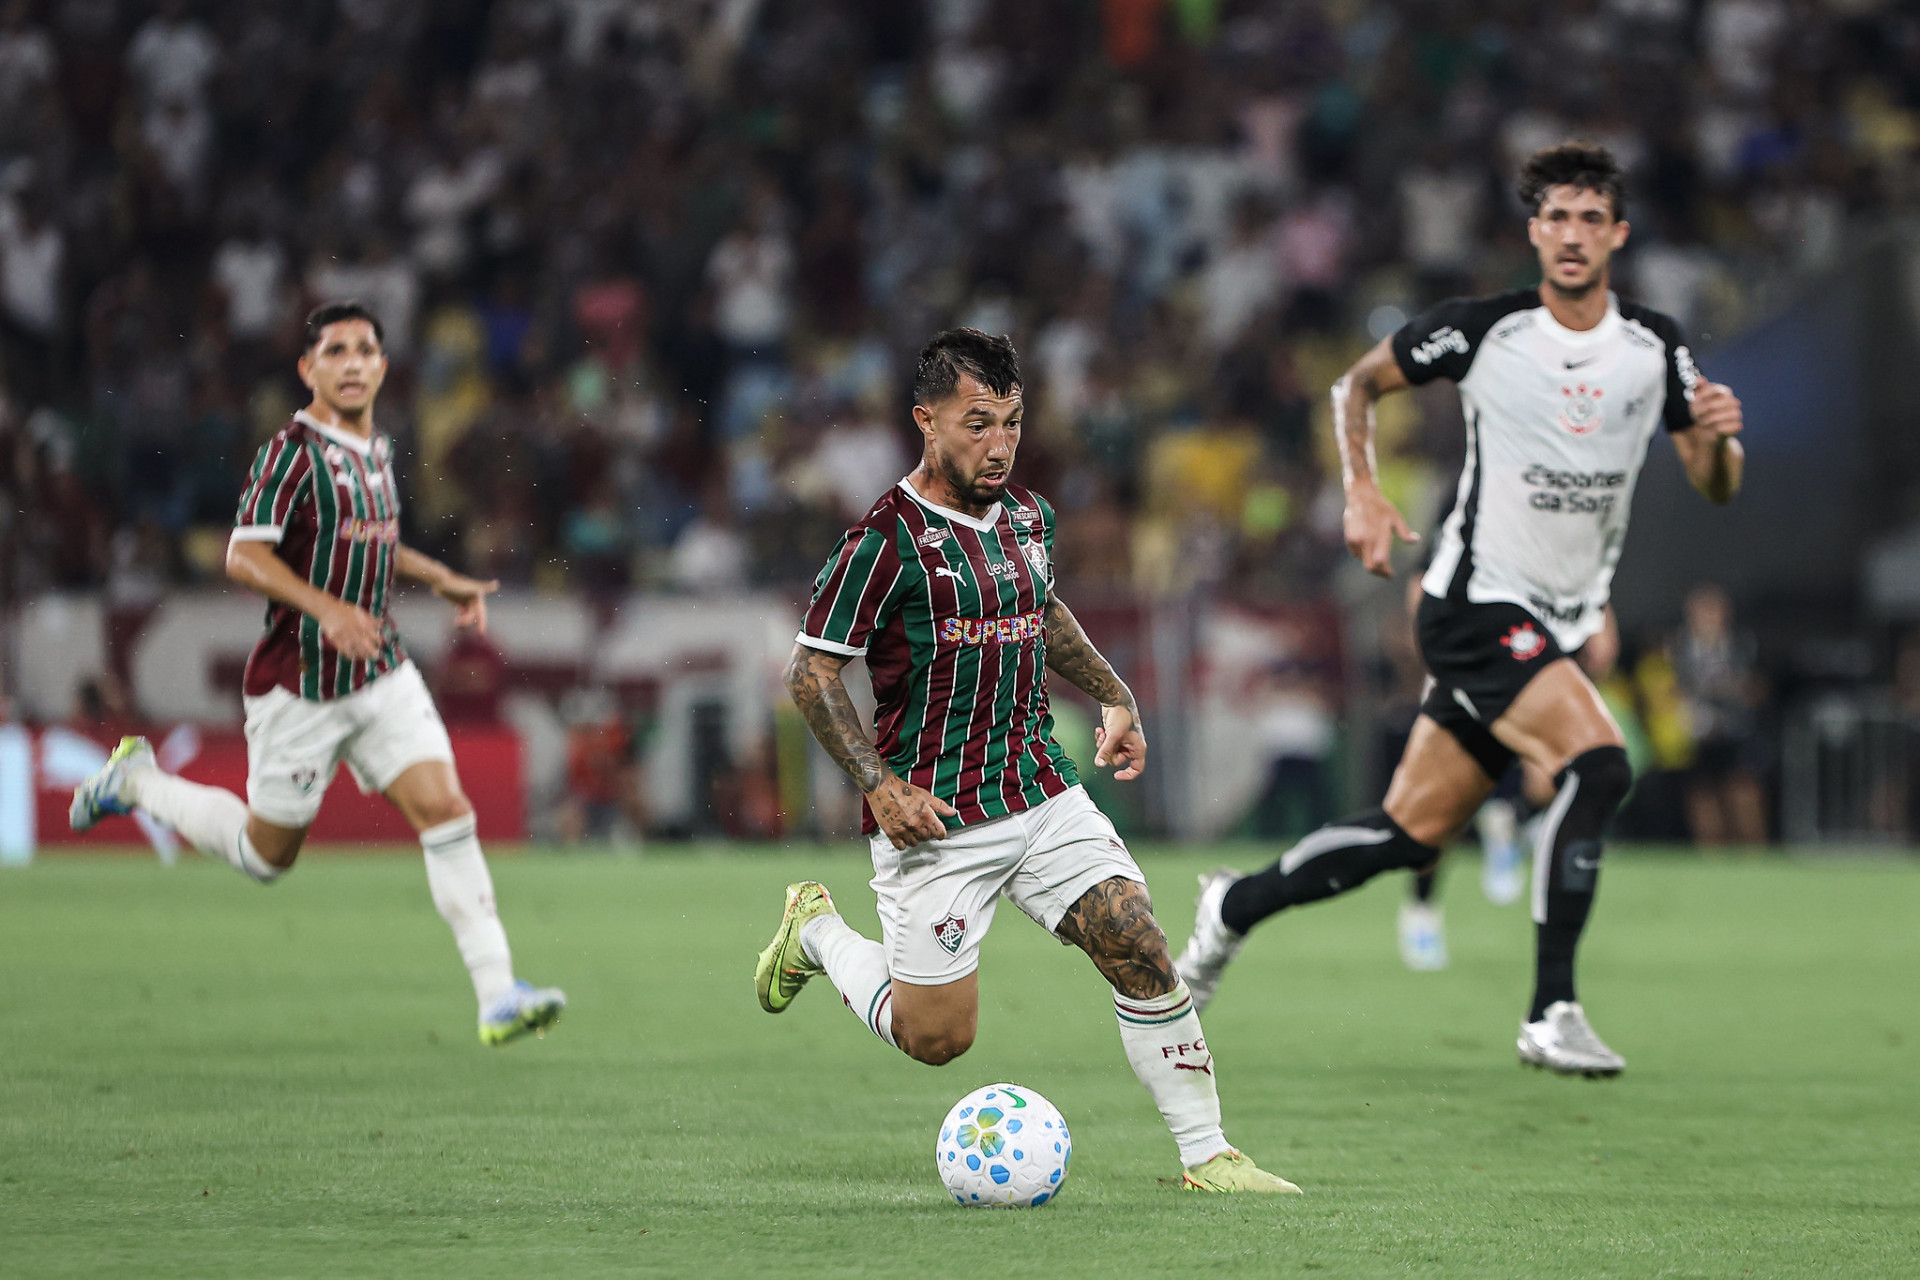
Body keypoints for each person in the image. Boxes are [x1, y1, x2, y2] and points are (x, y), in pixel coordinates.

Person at [1177, 142, 1746, 1077]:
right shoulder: (1486, 331)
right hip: (1473, 606)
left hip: (1554, 624)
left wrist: (1723, 444)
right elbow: (1354, 384)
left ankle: (1231, 910)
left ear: (1618, 234)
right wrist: (1360, 490)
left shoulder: (1654, 348)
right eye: (1555, 216)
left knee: (1406, 834)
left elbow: (1712, 481)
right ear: (1534, 232)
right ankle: (1550, 1010)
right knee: (1599, 765)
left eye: (1589, 217)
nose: (1571, 234)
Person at [755, 329, 1298, 1193]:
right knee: (939, 1041)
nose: (1000, 443)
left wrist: (1115, 692)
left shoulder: (1028, 516)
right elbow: (811, 673)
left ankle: (1209, 1155)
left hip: (1040, 789)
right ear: (925, 421)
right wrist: (878, 784)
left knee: (1137, 937)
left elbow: (1040, 613)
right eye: (979, 424)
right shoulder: (881, 543)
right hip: (936, 816)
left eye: (1012, 421)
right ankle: (816, 931)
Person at [69, 302, 566, 1047]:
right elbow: (243, 553)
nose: (354, 362)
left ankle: (497, 993)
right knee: (266, 858)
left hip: (380, 669)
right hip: (299, 683)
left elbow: (373, 543)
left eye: (366, 349)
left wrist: (441, 579)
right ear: (309, 369)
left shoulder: (375, 450)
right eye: (336, 350)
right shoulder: (289, 455)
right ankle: (136, 783)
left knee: (446, 809)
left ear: (384, 365)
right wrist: (326, 608)